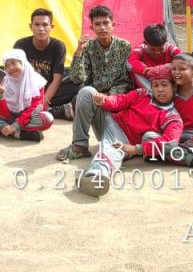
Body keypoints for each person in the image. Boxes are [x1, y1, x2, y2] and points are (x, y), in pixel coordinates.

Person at [72, 65, 184, 197]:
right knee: (87, 92)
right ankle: (79, 145)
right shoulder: (142, 93)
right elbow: (121, 100)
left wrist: (137, 149)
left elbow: (170, 142)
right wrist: (104, 100)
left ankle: (96, 178)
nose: (160, 89)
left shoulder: (172, 117)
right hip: (109, 121)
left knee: (109, 152)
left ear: (174, 87)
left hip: (124, 140)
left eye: (164, 85)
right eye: (155, 85)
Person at [59, 5, 133, 158]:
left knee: (116, 149)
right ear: (92, 27)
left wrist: (109, 97)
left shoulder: (125, 47)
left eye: (106, 23)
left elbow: (128, 81)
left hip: (119, 107)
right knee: (85, 92)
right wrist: (79, 51)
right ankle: (79, 145)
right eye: (97, 24)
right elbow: (77, 78)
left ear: (113, 25)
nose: (102, 27)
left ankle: (115, 140)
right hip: (98, 104)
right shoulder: (88, 47)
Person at [13, 8, 80, 120]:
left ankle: (38, 108)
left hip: (48, 90)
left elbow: (57, 78)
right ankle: (56, 111)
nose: (41, 29)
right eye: (37, 25)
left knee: (78, 85)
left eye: (45, 25)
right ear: (31, 26)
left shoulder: (58, 46)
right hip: (26, 90)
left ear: (51, 27)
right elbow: (15, 76)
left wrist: (43, 101)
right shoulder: (21, 45)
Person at [0, 49, 53, 142]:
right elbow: (3, 114)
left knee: (47, 118)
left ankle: (7, 131)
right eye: (7, 66)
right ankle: (16, 133)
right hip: (9, 117)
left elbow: (34, 108)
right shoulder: (6, 82)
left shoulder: (36, 81)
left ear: (22, 63)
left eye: (13, 63)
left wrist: (15, 126)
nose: (10, 68)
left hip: (28, 117)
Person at [127, 22, 182, 91]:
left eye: (161, 49)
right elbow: (130, 62)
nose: (157, 52)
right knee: (133, 69)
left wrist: (161, 68)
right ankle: (152, 92)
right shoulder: (140, 49)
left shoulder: (171, 48)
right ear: (145, 43)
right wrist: (146, 71)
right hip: (148, 81)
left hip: (168, 81)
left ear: (166, 42)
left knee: (183, 67)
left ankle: (175, 89)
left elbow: (184, 59)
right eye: (153, 49)